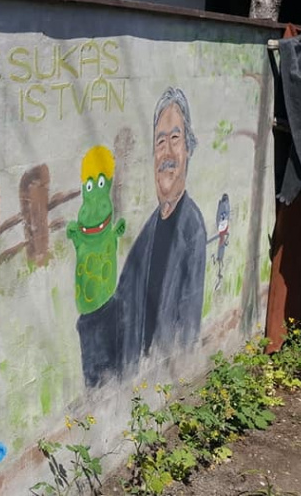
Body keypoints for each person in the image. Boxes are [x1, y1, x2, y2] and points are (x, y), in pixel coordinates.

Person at [77, 88, 207, 387]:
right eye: (160, 142)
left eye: (175, 139)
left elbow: (188, 331)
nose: (167, 153)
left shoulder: (192, 230)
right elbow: (123, 310)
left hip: (162, 384)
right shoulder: (148, 234)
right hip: (137, 384)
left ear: (188, 148)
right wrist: (92, 309)